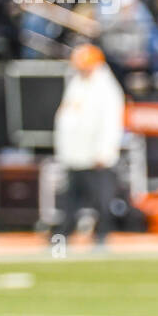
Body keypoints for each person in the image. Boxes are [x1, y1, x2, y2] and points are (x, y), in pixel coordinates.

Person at [53, 45, 124, 248]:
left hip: (96, 155)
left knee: (101, 199)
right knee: (69, 199)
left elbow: (111, 123)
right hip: (75, 153)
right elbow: (67, 116)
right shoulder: (76, 83)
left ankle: (102, 235)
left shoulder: (106, 88)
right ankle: (63, 235)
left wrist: (105, 150)